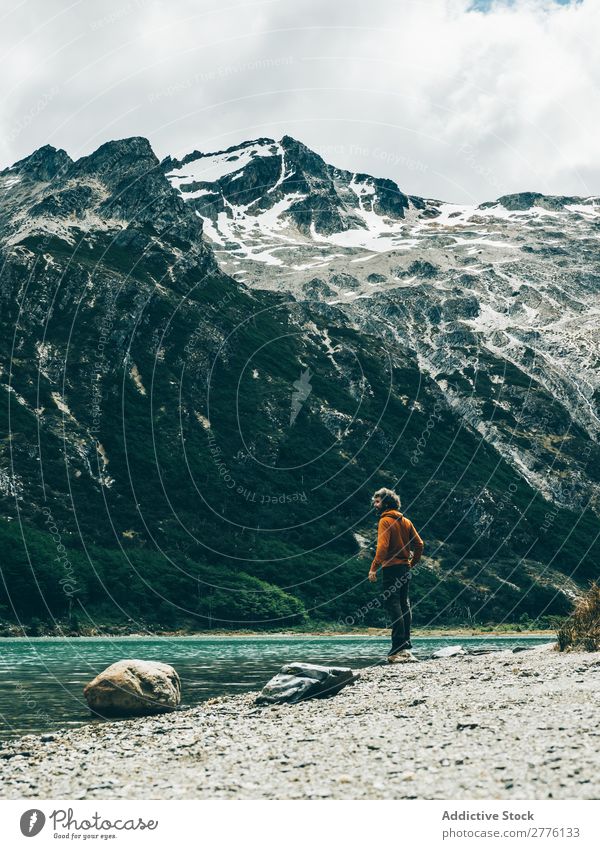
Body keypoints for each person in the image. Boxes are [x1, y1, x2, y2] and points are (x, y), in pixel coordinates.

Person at [368, 487, 424, 662]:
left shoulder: (385, 521)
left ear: (386, 503)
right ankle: (405, 643)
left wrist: (373, 568)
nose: (374, 504)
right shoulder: (405, 521)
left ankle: (397, 646)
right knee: (403, 604)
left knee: (393, 605)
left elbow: (382, 548)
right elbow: (419, 544)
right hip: (404, 568)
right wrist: (411, 563)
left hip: (391, 568)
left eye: (377, 501)